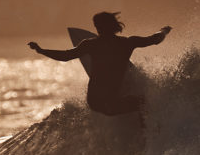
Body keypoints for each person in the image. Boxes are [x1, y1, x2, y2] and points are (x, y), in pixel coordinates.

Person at [28, 12, 171, 116]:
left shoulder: (91, 44)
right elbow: (155, 39)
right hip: (110, 103)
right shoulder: (127, 43)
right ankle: (147, 138)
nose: (96, 28)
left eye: (97, 26)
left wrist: (41, 50)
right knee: (146, 102)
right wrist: (164, 30)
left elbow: (66, 56)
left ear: (100, 27)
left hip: (94, 102)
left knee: (136, 101)